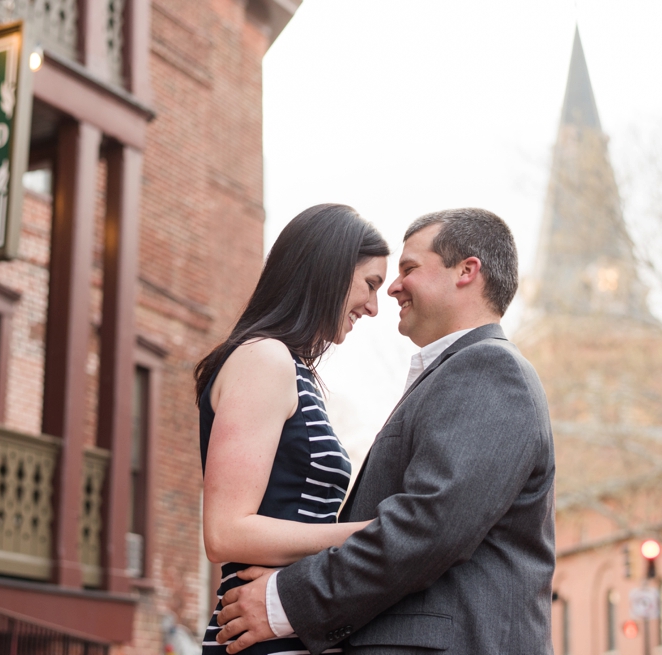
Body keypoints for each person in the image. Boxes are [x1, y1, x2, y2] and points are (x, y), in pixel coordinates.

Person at [215, 208, 555, 654]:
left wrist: (285, 601)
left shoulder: (490, 369)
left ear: (467, 271)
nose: (393, 288)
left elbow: (430, 527)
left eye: (409, 269)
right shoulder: (457, 374)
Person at [196, 203, 391, 655]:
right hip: (257, 638)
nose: (374, 306)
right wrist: (371, 534)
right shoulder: (265, 359)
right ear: (332, 269)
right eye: (370, 284)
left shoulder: (291, 368)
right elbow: (225, 532)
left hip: (285, 631)